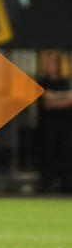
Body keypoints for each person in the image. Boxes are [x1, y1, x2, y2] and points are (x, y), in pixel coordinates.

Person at [35, 51, 72, 193]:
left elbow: (69, 100)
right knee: (47, 153)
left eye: (52, 63)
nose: (49, 66)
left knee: (65, 154)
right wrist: (64, 97)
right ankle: (46, 184)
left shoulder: (66, 81)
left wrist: (54, 96)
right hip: (47, 125)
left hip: (65, 124)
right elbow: (46, 103)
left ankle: (66, 184)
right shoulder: (42, 82)